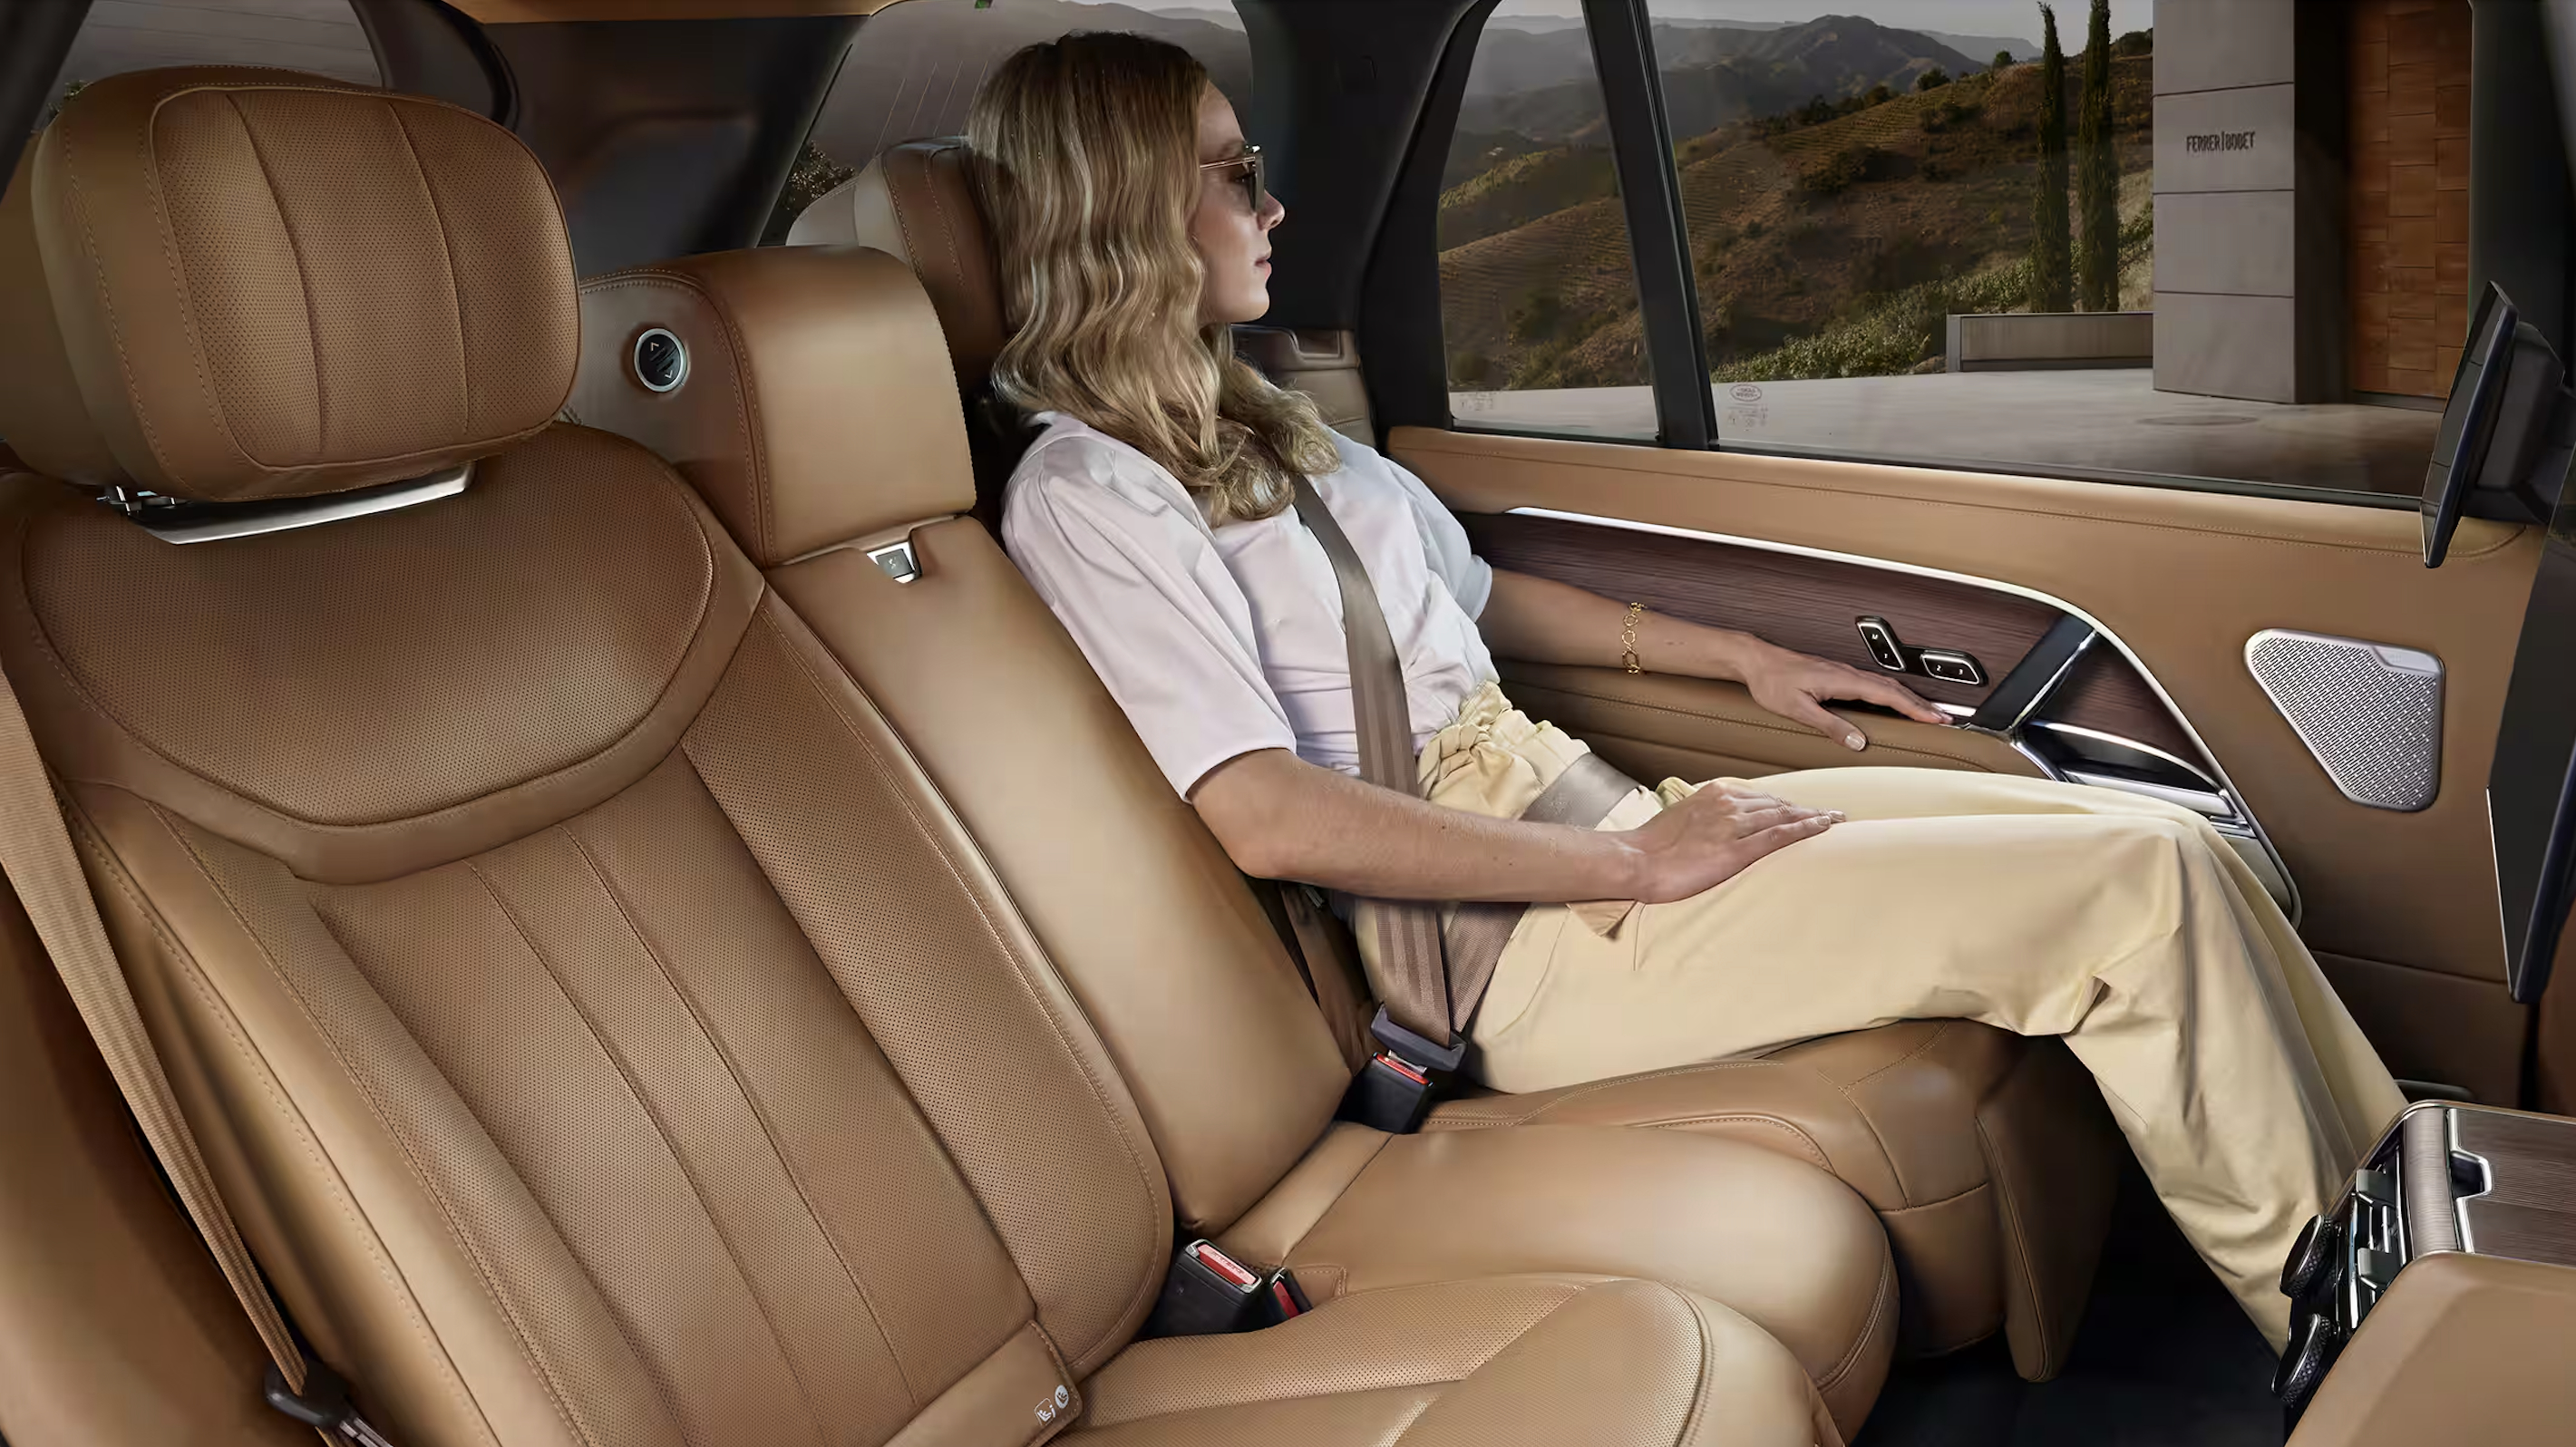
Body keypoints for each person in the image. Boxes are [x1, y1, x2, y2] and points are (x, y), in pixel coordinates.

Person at [968, 31, 2401, 1349]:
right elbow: (1264, 815)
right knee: (2134, 895)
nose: (1273, 206)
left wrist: (1740, 657)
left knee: (2174, 838)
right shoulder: (1088, 493)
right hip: (1504, 942)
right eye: (1235, 173)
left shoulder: (1266, 421)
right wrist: (1631, 866)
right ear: (1122, 211)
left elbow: (1472, 598)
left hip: (1579, 814)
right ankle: (2356, 1349)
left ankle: (2414, 1245)